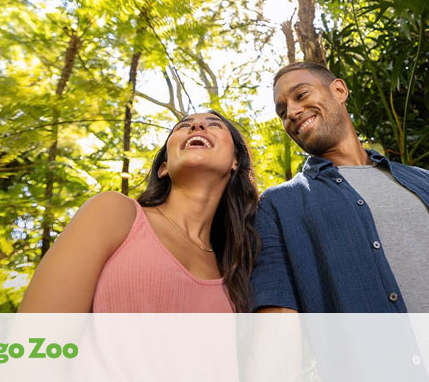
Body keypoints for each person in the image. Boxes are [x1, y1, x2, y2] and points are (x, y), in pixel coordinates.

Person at [251, 62, 429, 314]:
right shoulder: (280, 204)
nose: (293, 113)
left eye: (301, 95)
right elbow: (277, 312)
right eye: (283, 112)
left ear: (339, 90)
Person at [19, 111, 258, 313]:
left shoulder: (237, 270)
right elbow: (34, 344)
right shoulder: (114, 213)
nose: (197, 126)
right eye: (183, 126)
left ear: (234, 161)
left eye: (214, 125)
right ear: (164, 168)